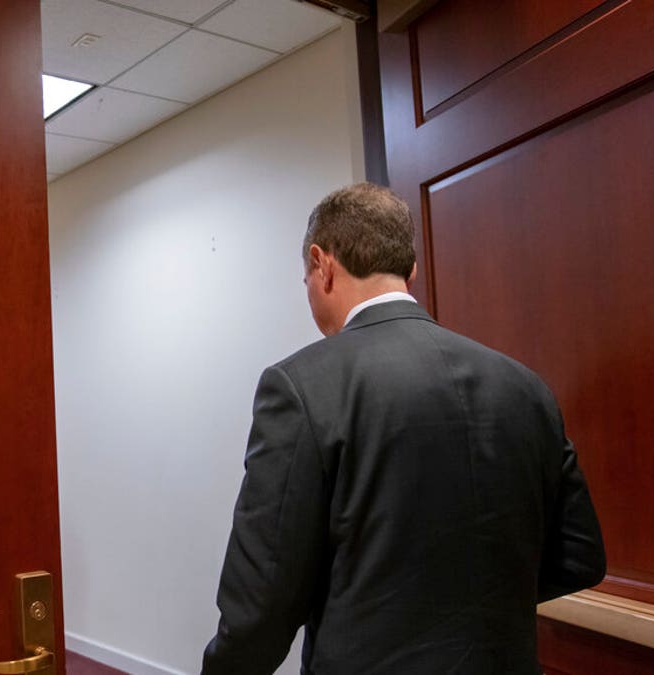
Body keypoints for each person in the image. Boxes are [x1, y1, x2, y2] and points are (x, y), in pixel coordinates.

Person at [202, 183, 605, 674]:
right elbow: (581, 556)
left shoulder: (300, 387)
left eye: (304, 278)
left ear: (321, 263)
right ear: (410, 271)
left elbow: (261, 602)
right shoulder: (526, 387)